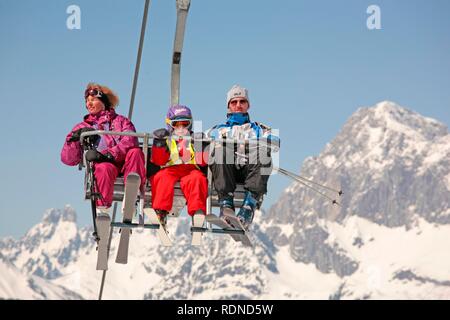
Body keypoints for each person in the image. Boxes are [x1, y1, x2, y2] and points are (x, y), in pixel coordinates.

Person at [61, 83, 146, 219]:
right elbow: (68, 159)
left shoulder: (122, 121)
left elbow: (130, 140)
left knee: (135, 152)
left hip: (124, 163)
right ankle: (103, 210)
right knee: (103, 168)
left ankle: (131, 196)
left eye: (93, 99)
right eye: (87, 101)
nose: (89, 103)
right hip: (106, 166)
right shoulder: (83, 127)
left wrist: (109, 154)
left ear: (103, 101)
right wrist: (72, 140)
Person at [206, 84, 280, 230]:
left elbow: (275, 142)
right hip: (228, 172)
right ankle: (226, 204)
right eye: (234, 102)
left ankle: (249, 205)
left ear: (248, 105)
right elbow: (201, 143)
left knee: (264, 153)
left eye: (242, 102)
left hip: (250, 171)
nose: (238, 105)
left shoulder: (259, 129)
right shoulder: (217, 130)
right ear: (229, 106)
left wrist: (254, 145)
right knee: (220, 150)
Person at [150, 105, 208, 229]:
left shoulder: (194, 138)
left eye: (185, 124)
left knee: (197, 179)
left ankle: (197, 212)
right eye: (177, 124)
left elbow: (203, 162)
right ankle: (161, 211)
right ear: (170, 124)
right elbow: (159, 160)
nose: (181, 128)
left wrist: (201, 145)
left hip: (190, 169)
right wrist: (159, 143)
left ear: (190, 124)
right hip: (170, 169)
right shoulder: (167, 139)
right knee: (161, 178)